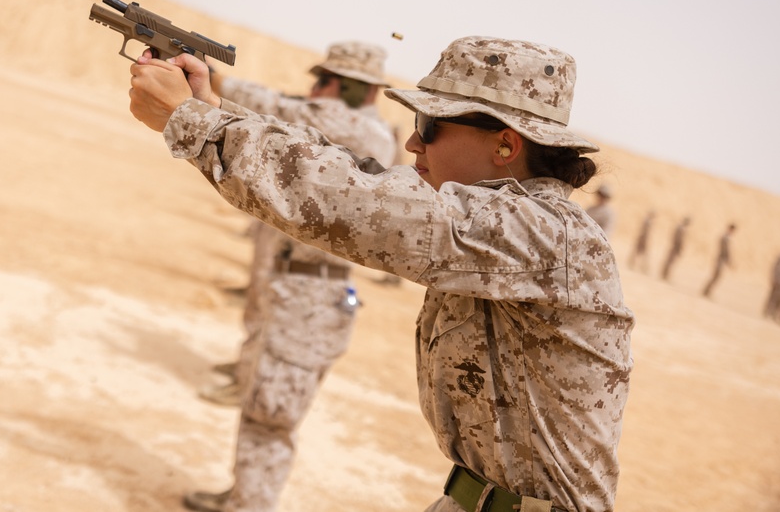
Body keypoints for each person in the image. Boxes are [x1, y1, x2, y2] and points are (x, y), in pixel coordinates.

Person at [130, 35, 634, 512]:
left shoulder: (546, 234)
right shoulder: (514, 221)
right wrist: (214, 111)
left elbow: (349, 201)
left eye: (432, 126)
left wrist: (192, 120)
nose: (413, 143)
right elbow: (361, 175)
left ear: (505, 146)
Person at [186, 42, 398, 511]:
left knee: (271, 415)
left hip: (309, 294)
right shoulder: (349, 126)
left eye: (324, 82)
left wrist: (208, 75)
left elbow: (276, 108)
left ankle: (248, 505)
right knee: (264, 405)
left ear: (350, 88)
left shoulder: (361, 129)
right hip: (304, 289)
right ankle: (245, 496)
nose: (314, 90)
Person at [701, 223, 737, 298]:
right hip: (720, 260)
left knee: (716, 277)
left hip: (721, 260)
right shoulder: (724, 238)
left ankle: (706, 291)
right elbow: (725, 251)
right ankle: (706, 291)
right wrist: (728, 262)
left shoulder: (726, 238)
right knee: (715, 276)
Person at [660, 216, 690, 281]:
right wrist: (678, 248)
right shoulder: (680, 229)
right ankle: (664, 274)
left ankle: (664, 274)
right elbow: (678, 239)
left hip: (675, 247)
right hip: (675, 247)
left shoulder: (681, 228)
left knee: (670, 261)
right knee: (669, 261)